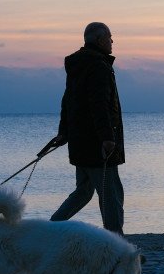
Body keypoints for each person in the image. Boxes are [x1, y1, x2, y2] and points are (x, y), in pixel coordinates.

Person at [48, 22, 126, 235]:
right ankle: (116, 242)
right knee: (111, 193)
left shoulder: (78, 65)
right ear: (100, 40)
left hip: (80, 142)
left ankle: (52, 227)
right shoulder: (98, 65)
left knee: (83, 191)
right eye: (110, 37)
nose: (112, 42)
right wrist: (107, 138)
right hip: (96, 143)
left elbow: (68, 101)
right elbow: (99, 104)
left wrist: (64, 132)